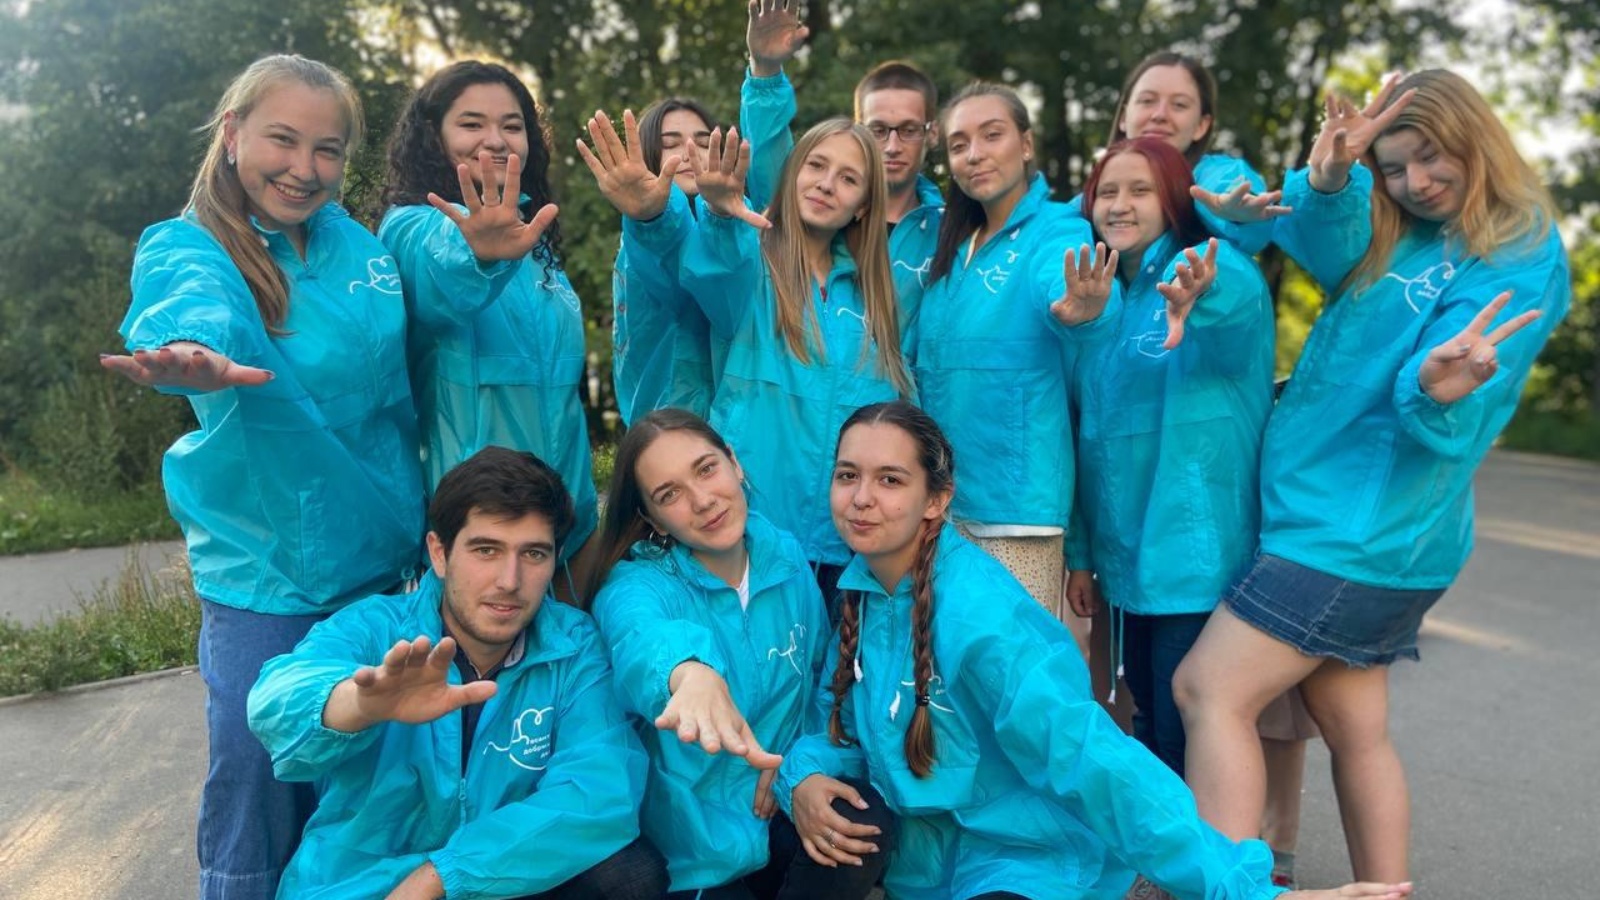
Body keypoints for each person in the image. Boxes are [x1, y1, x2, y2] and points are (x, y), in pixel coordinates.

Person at [1174, 70, 1570, 884]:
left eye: (1430, 157)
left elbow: (1457, 384)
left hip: (1357, 534)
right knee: (1353, 729)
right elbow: (1319, 242)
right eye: (1393, 167)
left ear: (1474, 139)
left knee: (1209, 691)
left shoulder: (1519, 248)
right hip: (1337, 522)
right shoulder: (1402, 229)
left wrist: (1434, 386)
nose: (1414, 182)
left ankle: (1225, 889)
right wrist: (1329, 180)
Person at [773, 400, 1414, 900]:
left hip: (1022, 861)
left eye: (890, 479)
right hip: (926, 867)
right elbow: (837, 727)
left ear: (935, 500)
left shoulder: (980, 615)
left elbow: (1089, 754)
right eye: (847, 476)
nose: (862, 498)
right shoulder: (863, 593)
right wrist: (802, 777)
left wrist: (1240, 887)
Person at [100, 54, 425, 900]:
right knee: (260, 777)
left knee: (362, 789)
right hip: (268, 576)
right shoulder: (193, 244)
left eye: (328, 149)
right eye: (283, 139)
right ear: (233, 133)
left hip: (380, 567)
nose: (304, 168)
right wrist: (194, 348)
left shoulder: (357, 245)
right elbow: (189, 295)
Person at [249, 447, 665, 900]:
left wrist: (441, 877)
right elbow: (274, 701)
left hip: (493, 875)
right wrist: (359, 703)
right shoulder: (376, 628)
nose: (509, 580)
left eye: (533, 553)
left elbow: (600, 790)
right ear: (440, 553)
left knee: (631, 873)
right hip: (364, 884)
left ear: (555, 558)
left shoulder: (574, 645)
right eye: (486, 550)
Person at [588, 409, 895, 899]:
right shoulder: (638, 585)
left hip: (781, 805)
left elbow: (825, 686)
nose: (702, 500)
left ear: (734, 462)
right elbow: (639, 634)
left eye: (706, 469)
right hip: (697, 850)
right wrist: (689, 674)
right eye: (669, 495)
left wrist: (805, 766)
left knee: (863, 820)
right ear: (651, 518)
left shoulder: (786, 557)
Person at [617, 116, 911, 604]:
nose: (827, 183)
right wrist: (720, 213)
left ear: (863, 205)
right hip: (751, 537)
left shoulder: (875, 298)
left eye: (848, 178)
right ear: (791, 173)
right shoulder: (752, 267)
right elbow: (715, 267)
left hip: (850, 547)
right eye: (816, 165)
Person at [1062, 137, 1275, 780]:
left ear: (1174, 199)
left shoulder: (1209, 266)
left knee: (1188, 729)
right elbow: (1087, 438)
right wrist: (1083, 554)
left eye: (1141, 190)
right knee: (1150, 722)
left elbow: (1229, 304)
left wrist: (1200, 295)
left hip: (1198, 556)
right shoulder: (1103, 295)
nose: (1119, 205)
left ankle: (1207, 843)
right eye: (1107, 191)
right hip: (1127, 559)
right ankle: (1172, 842)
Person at [379, 60, 598, 600]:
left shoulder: (535, 243)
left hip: (567, 530)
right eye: (472, 124)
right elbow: (443, 276)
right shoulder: (413, 225)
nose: (496, 140)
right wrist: (476, 254)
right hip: (483, 532)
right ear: (433, 136)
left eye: (512, 125)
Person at [915, 82, 1104, 624]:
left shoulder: (1058, 227)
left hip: (1016, 511)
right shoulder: (951, 242)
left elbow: (1070, 282)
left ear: (1025, 144)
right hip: (938, 505)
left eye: (991, 135)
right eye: (959, 144)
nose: (974, 154)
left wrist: (1083, 307)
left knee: (1012, 664)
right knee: (942, 664)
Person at [740, 0, 944, 328]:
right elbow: (770, 156)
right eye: (878, 130)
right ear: (859, 129)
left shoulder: (952, 230)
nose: (892, 147)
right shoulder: (818, 210)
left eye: (908, 130)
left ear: (931, 133)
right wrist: (765, 71)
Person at [600, 98, 724, 424]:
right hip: (669, 427)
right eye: (670, 144)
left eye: (703, 142)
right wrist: (652, 218)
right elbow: (675, 271)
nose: (689, 152)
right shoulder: (644, 237)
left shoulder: (736, 230)